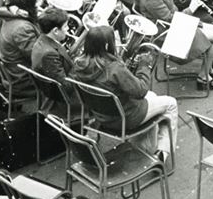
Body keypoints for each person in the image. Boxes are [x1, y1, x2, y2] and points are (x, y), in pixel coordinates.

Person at [70, 25, 178, 162]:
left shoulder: (78, 65)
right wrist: (144, 66)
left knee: (152, 97)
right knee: (171, 104)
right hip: (125, 118)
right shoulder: (114, 68)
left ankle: (143, 149)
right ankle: (163, 153)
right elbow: (140, 91)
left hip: (101, 116)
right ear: (107, 44)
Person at [0, 0, 41, 99]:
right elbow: (37, 57)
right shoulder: (22, 28)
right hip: (25, 82)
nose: (39, 6)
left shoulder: (11, 18)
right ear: (28, 7)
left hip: (16, 75)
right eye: (37, 3)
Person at [30, 7, 75, 82]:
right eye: (65, 26)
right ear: (55, 31)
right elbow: (63, 83)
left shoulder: (43, 38)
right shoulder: (49, 54)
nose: (68, 28)